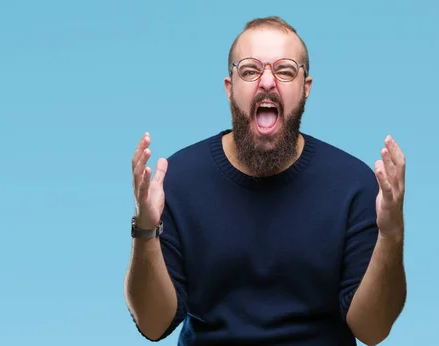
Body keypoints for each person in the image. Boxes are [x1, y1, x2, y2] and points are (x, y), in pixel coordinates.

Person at [123, 16, 407, 346]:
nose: (268, 82)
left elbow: (373, 330)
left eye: (285, 70)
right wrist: (145, 229)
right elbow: (153, 325)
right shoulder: (176, 181)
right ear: (230, 88)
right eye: (250, 70)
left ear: (305, 88)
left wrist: (391, 233)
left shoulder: (354, 185)